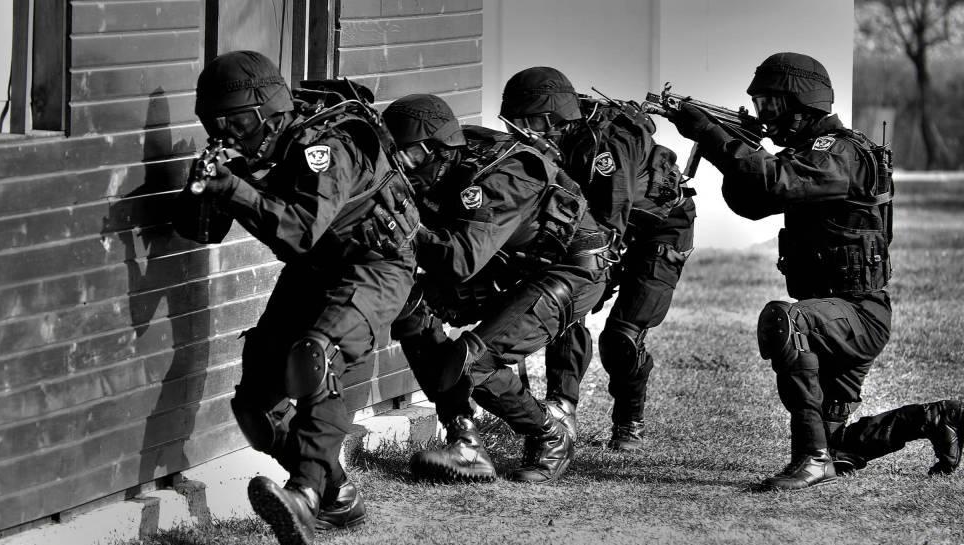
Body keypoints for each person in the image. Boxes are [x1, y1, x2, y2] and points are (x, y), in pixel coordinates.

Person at [663, 51, 964, 490]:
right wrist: (727, 142)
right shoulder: (810, 154)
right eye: (760, 104)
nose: (764, 114)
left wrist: (712, 135)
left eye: (771, 104)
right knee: (838, 444)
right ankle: (935, 419)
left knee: (784, 320)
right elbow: (753, 201)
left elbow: (773, 182)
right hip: (832, 317)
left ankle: (811, 459)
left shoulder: (839, 152)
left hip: (856, 315)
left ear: (802, 104)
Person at [173, 51, 418, 544]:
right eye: (215, 124)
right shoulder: (255, 149)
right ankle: (336, 493)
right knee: (257, 410)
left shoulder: (326, 146)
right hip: (316, 269)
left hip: (375, 265)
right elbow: (200, 232)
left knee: (315, 358)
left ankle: (304, 495)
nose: (229, 134)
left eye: (238, 123)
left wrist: (234, 188)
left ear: (269, 112)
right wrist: (205, 187)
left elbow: (300, 232)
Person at [382, 93, 613, 483]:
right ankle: (464, 441)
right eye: (396, 155)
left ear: (438, 149)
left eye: (411, 156)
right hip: (510, 265)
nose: (403, 166)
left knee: (475, 361)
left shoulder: (504, 176)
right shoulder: (451, 158)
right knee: (411, 306)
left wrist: (400, 225)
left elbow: (458, 261)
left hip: (571, 271)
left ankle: (549, 435)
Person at [499, 67, 696, 451]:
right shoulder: (552, 142)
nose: (517, 132)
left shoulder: (606, 145)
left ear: (548, 118)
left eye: (524, 123)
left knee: (622, 336)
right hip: (601, 226)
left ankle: (629, 420)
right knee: (565, 304)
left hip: (659, 229)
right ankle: (561, 408)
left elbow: (610, 216)